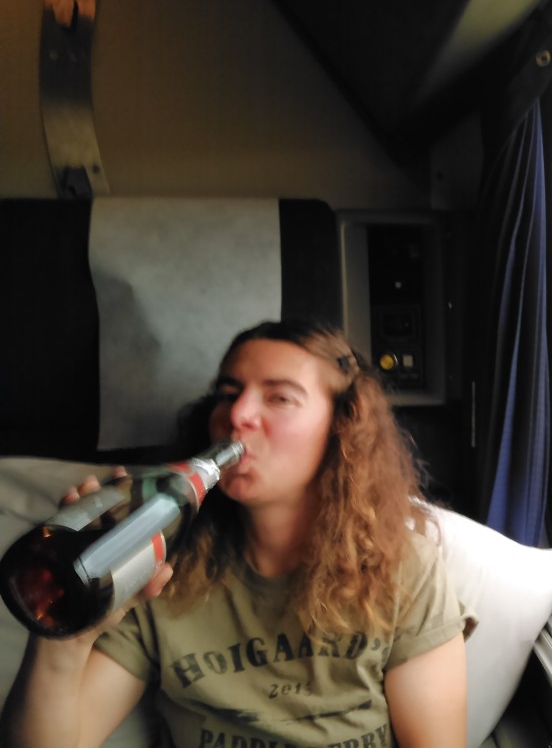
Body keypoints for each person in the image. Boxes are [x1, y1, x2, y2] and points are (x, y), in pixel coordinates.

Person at [0, 319, 474, 748]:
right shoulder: (160, 568)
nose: (238, 414)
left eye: (280, 397)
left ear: (340, 428)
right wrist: (68, 628)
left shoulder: (402, 567)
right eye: (228, 394)